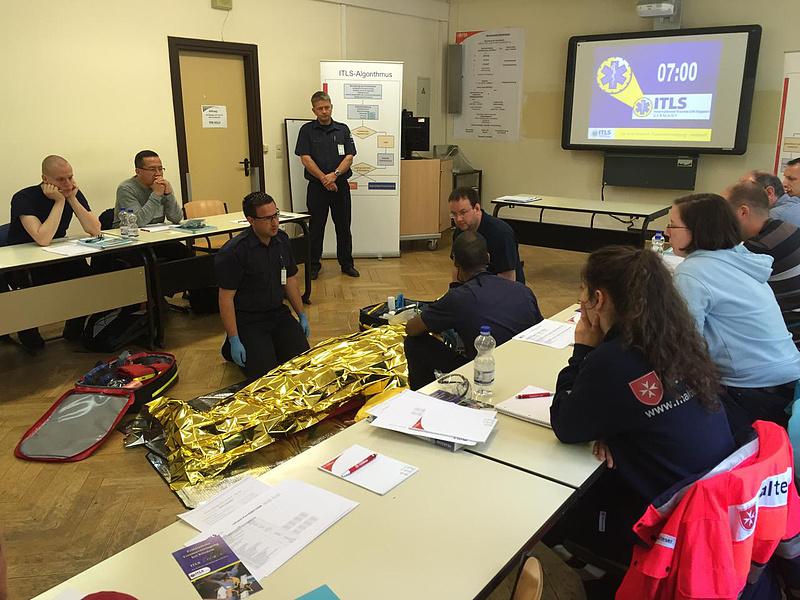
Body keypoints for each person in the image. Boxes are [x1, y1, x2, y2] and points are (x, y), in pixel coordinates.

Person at [548, 245, 735, 568]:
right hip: (714, 503)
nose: (580, 299)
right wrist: (612, 428)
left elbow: (565, 425)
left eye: (583, 291)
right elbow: (638, 410)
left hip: (668, 519)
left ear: (599, 298)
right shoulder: (675, 337)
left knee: (565, 502)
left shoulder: (611, 360)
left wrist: (581, 351)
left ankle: (591, 560)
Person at [667, 193, 800, 433]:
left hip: (752, 390)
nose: (666, 232)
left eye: (672, 225)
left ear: (697, 230)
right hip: (787, 380)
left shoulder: (693, 272)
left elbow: (683, 347)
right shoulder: (739, 257)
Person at [404, 231, 542, 390]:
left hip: (485, 374)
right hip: (527, 370)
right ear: (488, 258)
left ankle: (422, 396)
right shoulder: (522, 290)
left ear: (455, 262)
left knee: (414, 343)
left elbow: (411, 328)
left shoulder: (458, 298)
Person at [8, 155, 102, 351]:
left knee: (86, 276)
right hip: (23, 261)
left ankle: (75, 323)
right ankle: (28, 331)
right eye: (61, 179)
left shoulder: (71, 192)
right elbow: (42, 238)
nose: (68, 183)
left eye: (70, 177)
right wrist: (59, 202)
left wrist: (72, 198)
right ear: (45, 179)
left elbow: (94, 229)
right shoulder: (23, 197)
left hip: (56, 255)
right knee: (31, 288)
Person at [214, 191, 310, 381]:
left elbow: (290, 279)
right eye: (267, 219)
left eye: (276, 215)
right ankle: (230, 345)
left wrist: (301, 315)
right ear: (251, 220)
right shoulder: (234, 252)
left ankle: (267, 342)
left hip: (277, 313)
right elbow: (225, 298)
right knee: (265, 376)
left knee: (303, 365)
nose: (275, 223)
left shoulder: (282, 240)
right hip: (249, 319)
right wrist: (234, 338)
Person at [724, 180, 800, 346]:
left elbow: (726, 292)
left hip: (791, 335)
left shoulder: (758, 249)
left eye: (724, 214)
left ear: (743, 212)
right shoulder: (785, 227)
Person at [294, 91, 359, 279]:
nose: (324, 111)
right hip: (317, 189)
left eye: (327, 107)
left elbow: (349, 157)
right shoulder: (306, 130)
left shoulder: (342, 129)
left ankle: (346, 264)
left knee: (343, 227)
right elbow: (305, 159)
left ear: (331, 107)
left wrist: (334, 175)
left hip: (340, 186)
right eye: (320, 108)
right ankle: (313, 265)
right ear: (314, 110)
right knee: (316, 228)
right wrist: (324, 178)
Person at [449, 186, 525, 283]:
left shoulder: (501, 234)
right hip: (475, 289)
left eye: (463, 212)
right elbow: (457, 268)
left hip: (503, 291)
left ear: (476, 209)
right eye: (454, 214)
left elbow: (508, 280)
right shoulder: (459, 233)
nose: (458, 219)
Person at [113, 150, 182, 228]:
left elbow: (177, 218)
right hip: (129, 234)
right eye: (152, 169)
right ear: (138, 171)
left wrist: (169, 195)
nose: (158, 173)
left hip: (157, 233)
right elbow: (137, 222)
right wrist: (156, 194)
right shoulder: (126, 188)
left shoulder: (163, 185)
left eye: (160, 169)